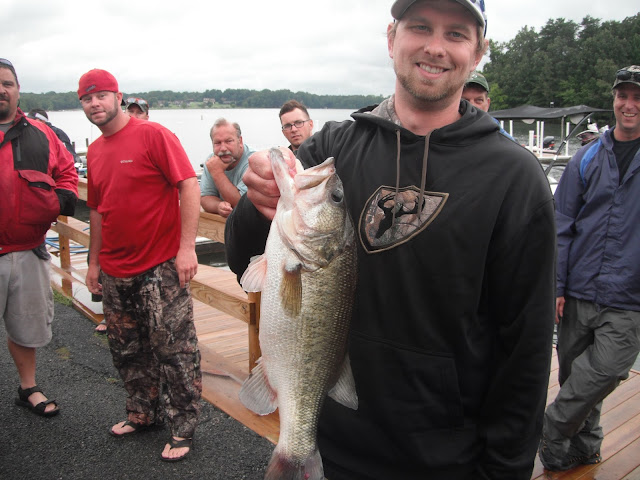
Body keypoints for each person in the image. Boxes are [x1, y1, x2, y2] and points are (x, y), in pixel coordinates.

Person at [224, 1, 557, 479]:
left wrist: (506, 469)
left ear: (479, 52)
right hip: (332, 447)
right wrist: (255, 204)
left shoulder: (514, 177)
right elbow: (242, 259)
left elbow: (525, 350)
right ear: (390, 38)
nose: (435, 47)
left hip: (449, 461)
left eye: (456, 33)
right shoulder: (332, 149)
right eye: (420, 26)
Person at [78, 68, 202, 462]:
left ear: (118, 97)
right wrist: (94, 263)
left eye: (101, 95)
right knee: (127, 350)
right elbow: (97, 210)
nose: (94, 103)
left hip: (159, 266)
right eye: (86, 98)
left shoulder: (154, 135)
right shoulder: (95, 151)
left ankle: (183, 426)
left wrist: (187, 248)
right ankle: (142, 413)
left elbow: (189, 184)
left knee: (175, 350)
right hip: (115, 270)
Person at [538, 65, 640, 472]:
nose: (629, 104)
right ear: (614, 99)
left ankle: (549, 429)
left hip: (629, 295)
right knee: (574, 377)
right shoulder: (588, 156)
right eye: (623, 96)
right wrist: (558, 286)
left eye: (638, 97)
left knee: (604, 370)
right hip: (579, 288)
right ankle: (580, 449)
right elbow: (562, 224)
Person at [1, 58, 78, 418]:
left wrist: (58, 202)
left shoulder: (41, 133)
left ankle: (27, 387)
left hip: (28, 249)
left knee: (27, 326)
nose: (1, 90)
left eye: (7, 83)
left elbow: (67, 173)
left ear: (18, 90)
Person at [199, 118, 254, 217]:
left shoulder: (253, 161)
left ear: (240, 141)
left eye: (229, 141)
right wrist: (218, 206)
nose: (223, 148)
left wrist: (217, 173)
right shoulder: (212, 161)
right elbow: (205, 197)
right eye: (218, 143)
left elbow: (241, 205)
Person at [462, 70, 514, 140]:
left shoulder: (500, 136)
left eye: (479, 100)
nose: (472, 106)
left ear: (487, 104)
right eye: (465, 101)